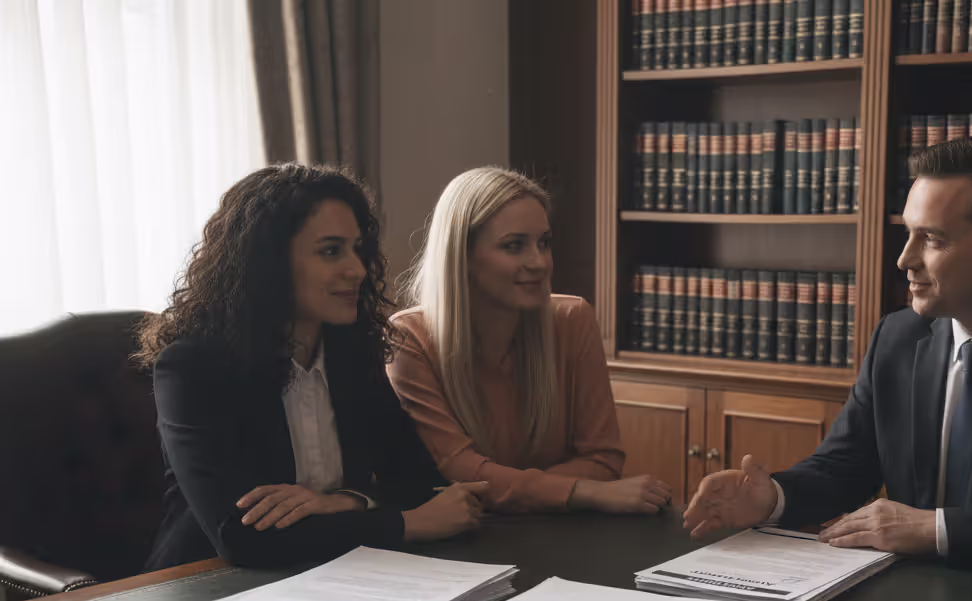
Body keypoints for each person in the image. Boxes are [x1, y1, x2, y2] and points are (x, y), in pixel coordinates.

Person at [684, 137, 972, 570]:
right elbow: (846, 466)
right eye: (909, 233)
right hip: (905, 598)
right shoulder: (898, 336)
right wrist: (773, 498)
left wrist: (933, 530)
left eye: (932, 239)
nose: (904, 259)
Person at [137, 164, 487, 572]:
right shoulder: (192, 368)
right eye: (330, 251)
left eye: (357, 249)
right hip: (203, 586)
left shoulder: (351, 351)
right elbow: (242, 538)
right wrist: (405, 524)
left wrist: (340, 501)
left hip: (338, 578)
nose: (356, 270)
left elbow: (419, 482)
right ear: (268, 264)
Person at [388, 167, 671, 515]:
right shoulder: (408, 339)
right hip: (463, 539)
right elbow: (460, 473)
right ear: (462, 256)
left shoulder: (572, 319)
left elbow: (603, 459)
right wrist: (584, 491)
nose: (539, 262)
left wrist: (515, 490)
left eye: (544, 243)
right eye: (514, 246)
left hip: (562, 531)